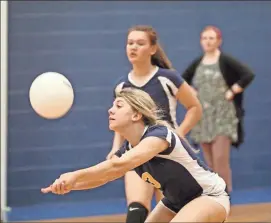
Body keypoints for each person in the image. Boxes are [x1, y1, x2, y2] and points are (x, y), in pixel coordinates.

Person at [41, 88, 230, 223]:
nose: (110, 110)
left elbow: (116, 166)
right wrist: (71, 185)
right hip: (174, 202)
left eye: (118, 106)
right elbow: (105, 176)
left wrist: (74, 175)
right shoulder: (128, 148)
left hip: (208, 196)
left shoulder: (159, 135)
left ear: (136, 115)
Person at [105, 25, 203, 222]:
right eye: (130, 43)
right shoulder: (122, 86)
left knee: (169, 212)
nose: (133, 47)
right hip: (135, 151)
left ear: (152, 49)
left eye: (140, 43)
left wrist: (179, 134)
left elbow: (195, 108)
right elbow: (120, 122)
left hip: (166, 153)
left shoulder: (168, 78)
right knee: (136, 209)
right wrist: (116, 148)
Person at [182, 25, 255, 193]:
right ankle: (214, 196)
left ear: (218, 41)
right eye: (205, 38)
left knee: (220, 159)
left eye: (211, 38)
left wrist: (233, 90)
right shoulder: (198, 62)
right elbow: (182, 79)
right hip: (203, 117)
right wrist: (192, 91)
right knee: (209, 162)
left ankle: (224, 196)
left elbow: (248, 74)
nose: (208, 42)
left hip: (223, 116)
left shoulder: (225, 60)